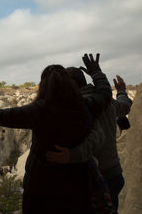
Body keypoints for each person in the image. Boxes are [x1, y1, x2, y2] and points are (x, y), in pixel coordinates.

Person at [0, 54, 112, 213]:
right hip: (76, 183)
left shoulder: (39, 111)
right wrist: (96, 72)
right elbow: (105, 93)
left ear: (44, 86)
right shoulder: (86, 107)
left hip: (40, 187)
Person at [46, 69, 132, 213]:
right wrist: (121, 91)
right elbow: (125, 105)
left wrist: (71, 155)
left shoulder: (78, 107)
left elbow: (96, 138)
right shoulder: (107, 101)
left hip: (92, 180)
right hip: (114, 173)